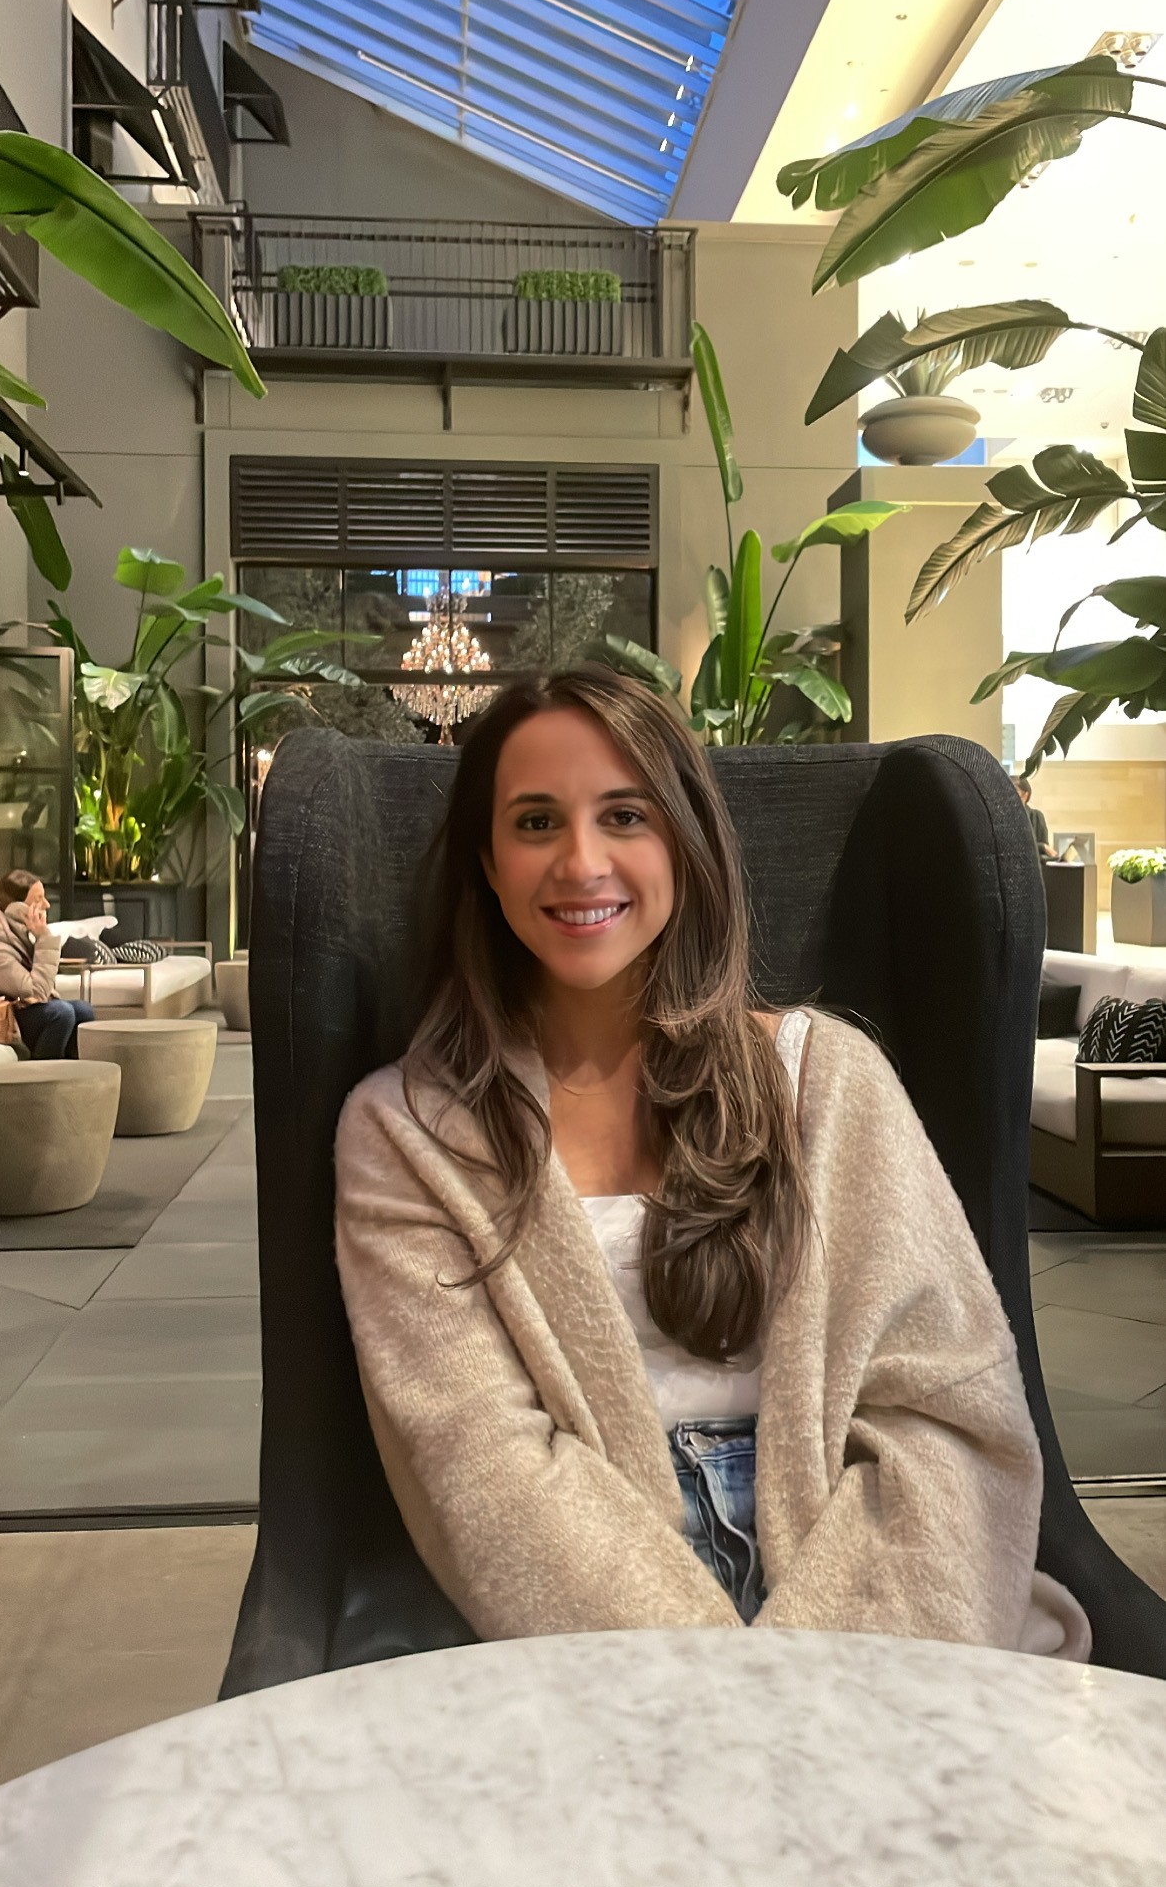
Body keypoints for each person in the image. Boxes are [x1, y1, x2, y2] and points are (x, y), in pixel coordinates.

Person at [335, 665, 1089, 1658]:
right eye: (534, 822)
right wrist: (707, 1693)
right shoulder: (408, 1136)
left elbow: (945, 1418)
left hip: (864, 1581)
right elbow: (481, 1470)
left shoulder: (827, 1081)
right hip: (580, 1616)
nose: (580, 861)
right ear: (485, 859)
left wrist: (832, 1678)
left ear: (684, 840)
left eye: (624, 816)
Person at [0, 870, 95, 1059]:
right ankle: (42, 1079)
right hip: (6, 1019)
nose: (47, 905)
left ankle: (75, 1077)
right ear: (16, 908)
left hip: (22, 1010)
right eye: (38, 899)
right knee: (60, 1013)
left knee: (83, 1010)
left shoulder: (18, 933)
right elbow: (37, 991)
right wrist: (44, 938)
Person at [1014, 774, 1055, 859]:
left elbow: (1044, 846)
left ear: (1025, 795)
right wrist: (1042, 847)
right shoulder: (1000, 818)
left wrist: (1043, 847)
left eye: (1015, 792)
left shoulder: (1036, 816)